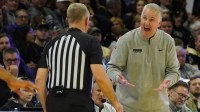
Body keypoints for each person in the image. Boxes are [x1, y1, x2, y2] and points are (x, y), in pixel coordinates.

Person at [35, 3, 123, 112]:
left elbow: (39, 80)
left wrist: (45, 107)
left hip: (54, 101)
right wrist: (116, 103)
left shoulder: (51, 44)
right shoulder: (91, 42)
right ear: (86, 20)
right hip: (78, 102)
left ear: (67, 20)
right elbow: (100, 77)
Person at [107, 3, 180, 112]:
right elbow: (112, 67)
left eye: (151, 19)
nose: (146, 22)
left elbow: (174, 71)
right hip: (128, 107)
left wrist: (168, 81)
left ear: (159, 23)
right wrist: (118, 77)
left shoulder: (167, 41)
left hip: (159, 108)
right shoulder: (126, 40)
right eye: (144, 18)